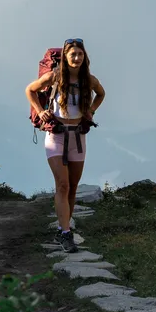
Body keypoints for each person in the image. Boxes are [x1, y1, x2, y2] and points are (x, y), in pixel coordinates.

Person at [25, 38, 105, 253]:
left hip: (78, 136)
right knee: (62, 185)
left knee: (72, 187)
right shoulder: (54, 77)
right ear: (66, 57)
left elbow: (101, 94)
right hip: (57, 135)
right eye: (73, 55)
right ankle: (66, 233)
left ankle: (63, 229)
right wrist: (40, 111)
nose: (77, 58)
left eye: (80, 54)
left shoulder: (89, 80)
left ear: (84, 57)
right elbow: (30, 90)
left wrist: (92, 111)